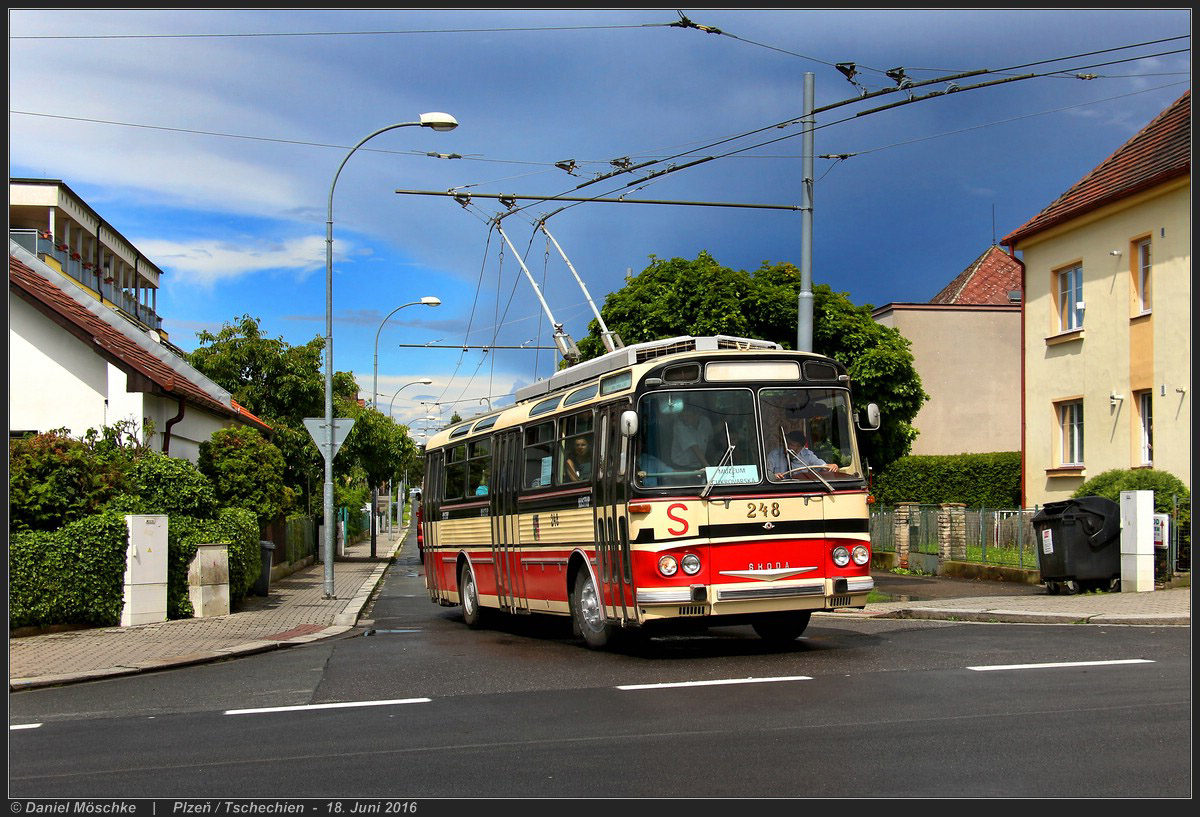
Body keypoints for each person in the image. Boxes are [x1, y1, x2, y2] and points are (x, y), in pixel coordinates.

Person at [767, 429, 838, 479]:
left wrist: (831, 466)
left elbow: (822, 466)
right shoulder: (774, 455)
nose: (786, 446)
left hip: (800, 488)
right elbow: (767, 473)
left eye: (791, 444)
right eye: (786, 443)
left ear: (800, 448)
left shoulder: (807, 455)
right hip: (779, 489)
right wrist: (774, 476)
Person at [670, 403, 712, 470]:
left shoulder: (705, 422)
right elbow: (695, 449)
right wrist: (709, 469)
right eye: (683, 416)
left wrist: (726, 419)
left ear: (697, 415)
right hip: (681, 467)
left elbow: (711, 436)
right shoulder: (680, 426)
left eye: (688, 415)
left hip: (699, 465)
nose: (684, 418)